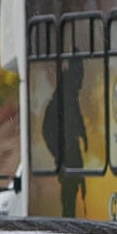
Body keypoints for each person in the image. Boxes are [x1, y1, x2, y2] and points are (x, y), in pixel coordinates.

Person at [42, 59, 88, 217]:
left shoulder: (69, 100)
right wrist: (61, 155)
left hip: (71, 158)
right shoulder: (61, 102)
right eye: (79, 78)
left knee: (72, 192)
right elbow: (48, 131)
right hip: (68, 159)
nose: (81, 83)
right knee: (69, 195)